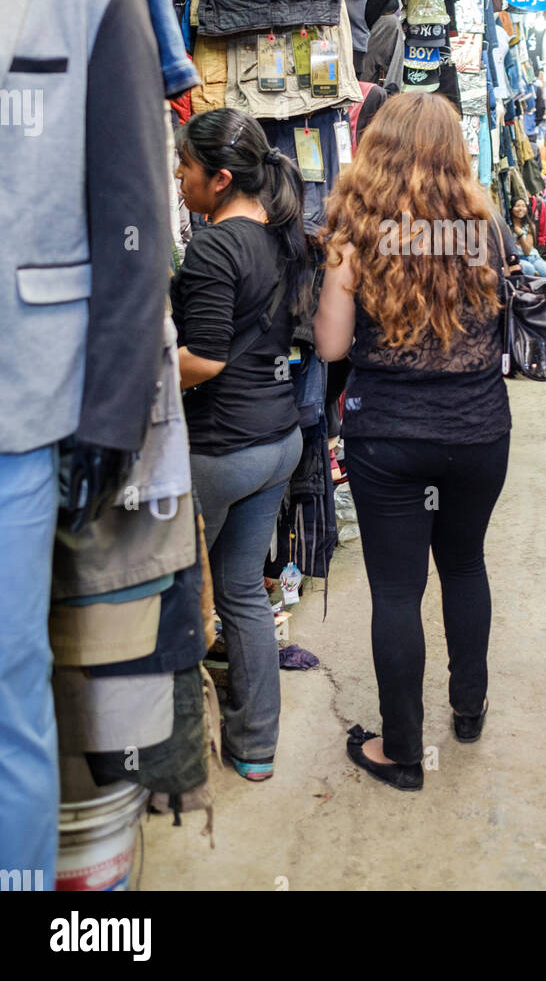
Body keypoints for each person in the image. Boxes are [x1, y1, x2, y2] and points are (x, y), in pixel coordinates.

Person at [315, 92, 515, 792]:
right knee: (464, 565)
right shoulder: (485, 229)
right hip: (479, 432)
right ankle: (469, 708)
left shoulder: (354, 232)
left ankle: (401, 751)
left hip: (388, 438)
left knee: (396, 591)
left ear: (377, 149)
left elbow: (332, 344)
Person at [171, 110, 310, 782]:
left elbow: (203, 359)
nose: (178, 176)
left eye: (187, 168)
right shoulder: (284, 235)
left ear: (220, 179)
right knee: (242, 594)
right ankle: (254, 748)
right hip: (278, 440)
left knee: (173, 595)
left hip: (222, 451)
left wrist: (130, 376)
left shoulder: (213, 246)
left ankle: (171, 752)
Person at [511, 196, 546, 281]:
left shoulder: (530, 225)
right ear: (512, 208)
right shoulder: (508, 226)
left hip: (533, 257)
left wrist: (520, 234)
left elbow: (527, 251)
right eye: (517, 206)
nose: (521, 209)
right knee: (529, 269)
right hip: (518, 259)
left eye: (523, 206)